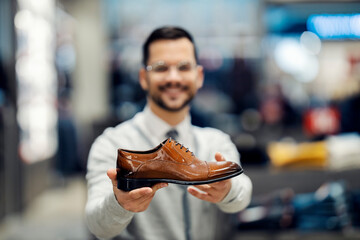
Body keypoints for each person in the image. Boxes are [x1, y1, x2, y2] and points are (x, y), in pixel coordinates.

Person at [85, 26, 253, 240]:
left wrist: (227, 190)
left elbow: (243, 193)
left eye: (184, 67)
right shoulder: (111, 143)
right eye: (161, 68)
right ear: (144, 77)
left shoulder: (215, 141)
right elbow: (96, 224)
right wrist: (119, 204)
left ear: (199, 76)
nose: (173, 78)